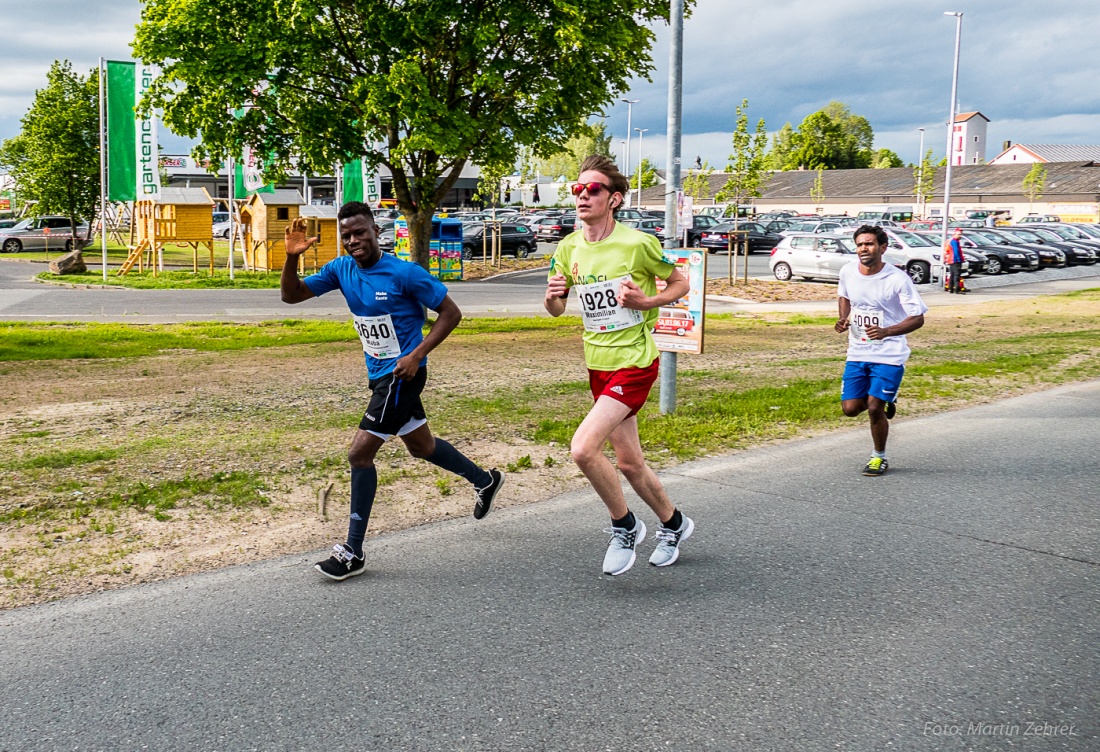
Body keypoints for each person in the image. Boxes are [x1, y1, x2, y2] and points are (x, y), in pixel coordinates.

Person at [280, 204, 504, 581]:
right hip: (379, 375)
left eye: (360, 232)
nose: (353, 241)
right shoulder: (341, 269)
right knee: (422, 447)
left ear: (375, 231)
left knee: (359, 453)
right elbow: (292, 296)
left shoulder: (404, 273)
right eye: (347, 235)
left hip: (403, 376)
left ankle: (353, 551)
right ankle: (485, 480)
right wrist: (289, 259)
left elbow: (451, 314)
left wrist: (417, 355)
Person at [543, 155, 694, 575]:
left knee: (583, 448)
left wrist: (647, 302)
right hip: (599, 363)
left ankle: (624, 526)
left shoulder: (636, 244)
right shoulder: (567, 247)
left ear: (614, 199)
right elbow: (556, 308)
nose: (582, 196)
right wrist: (554, 295)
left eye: (593, 189)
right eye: (578, 189)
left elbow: (680, 282)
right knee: (628, 462)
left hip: (635, 361)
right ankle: (675, 524)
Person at [835, 225, 927, 477]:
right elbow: (844, 295)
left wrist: (887, 331)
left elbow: (917, 318)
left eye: (870, 244)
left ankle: (879, 457)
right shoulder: (847, 271)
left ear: (883, 248)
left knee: (874, 407)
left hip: (889, 353)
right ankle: (886, 397)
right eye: (860, 244)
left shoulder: (897, 279)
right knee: (850, 409)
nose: (864, 248)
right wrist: (843, 319)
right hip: (858, 350)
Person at [943, 227, 967, 294]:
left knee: (952, 274)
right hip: (955, 260)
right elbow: (956, 252)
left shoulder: (952, 241)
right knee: (956, 274)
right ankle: (956, 289)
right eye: (959, 234)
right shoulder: (954, 241)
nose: (960, 236)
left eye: (961, 234)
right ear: (955, 234)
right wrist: (960, 260)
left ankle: (951, 288)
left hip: (951, 260)